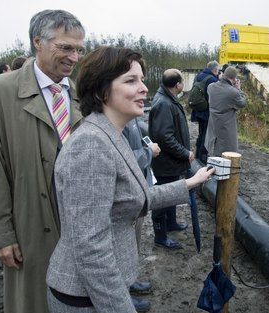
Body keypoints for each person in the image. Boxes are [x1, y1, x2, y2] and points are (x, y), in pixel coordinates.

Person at [46, 46, 214, 313]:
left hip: (94, 292)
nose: (144, 88)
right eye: (131, 80)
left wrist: (190, 184)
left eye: (142, 79)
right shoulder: (91, 146)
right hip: (85, 297)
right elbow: (91, 250)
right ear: (102, 90)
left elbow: (131, 196)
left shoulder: (111, 134)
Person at [0, 9, 85, 313]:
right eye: (65, 47)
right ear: (38, 42)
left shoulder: (80, 95)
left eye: (79, 49)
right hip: (28, 227)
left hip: (76, 226)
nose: (74, 57)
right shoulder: (2, 92)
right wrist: (2, 234)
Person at [149, 69, 193, 249]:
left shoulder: (168, 99)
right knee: (162, 199)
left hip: (171, 163)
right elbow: (165, 137)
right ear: (178, 85)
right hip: (165, 163)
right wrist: (185, 153)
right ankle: (160, 236)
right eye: (182, 81)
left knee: (172, 193)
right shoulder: (164, 103)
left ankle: (171, 223)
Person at [122, 117, 161, 311]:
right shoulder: (115, 119)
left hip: (139, 188)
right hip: (130, 192)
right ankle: (124, 294)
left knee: (133, 241)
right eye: (132, 83)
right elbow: (126, 159)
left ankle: (130, 280)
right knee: (124, 244)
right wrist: (149, 151)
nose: (143, 88)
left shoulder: (131, 116)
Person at [205, 66, 247, 156]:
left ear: (223, 74)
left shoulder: (210, 87)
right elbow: (242, 103)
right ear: (235, 79)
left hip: (213, 125)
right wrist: (239, 89)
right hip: (226, 128)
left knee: (214, 153)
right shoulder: (233, 92)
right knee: (227, 155)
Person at [191, 61, 220, 164]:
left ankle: (197, 155)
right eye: (218, 70)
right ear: (215, 70)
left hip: (197, 110)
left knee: (201, 133)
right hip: (206, 111)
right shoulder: (212, 79)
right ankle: (203, 158)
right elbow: (214, 97)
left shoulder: (199, 75)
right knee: (206, 135)